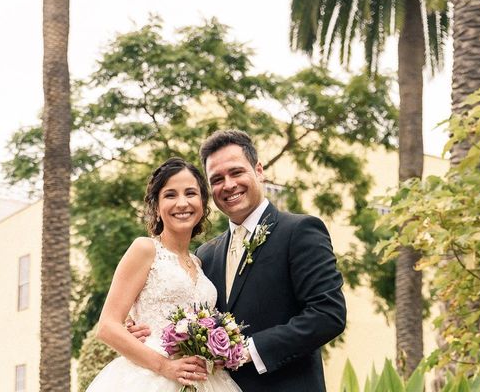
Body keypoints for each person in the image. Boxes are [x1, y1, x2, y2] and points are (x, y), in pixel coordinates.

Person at [195, 129, 346, 391]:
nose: (228, 185)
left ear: (259, 170)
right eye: (217, 179)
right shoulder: (205, 254)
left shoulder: (300, 231)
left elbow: (327, 313)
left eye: (236, 172)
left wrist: (249, 350)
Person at [87, 157, 242, 392]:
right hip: (150, 376)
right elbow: (107, 326)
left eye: (190, 193)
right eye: (170, 195)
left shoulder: (200, 262)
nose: (182, 203)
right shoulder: (145, 249)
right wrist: (165, 367)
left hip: (206, 380)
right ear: (157, 207)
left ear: (202, 203)